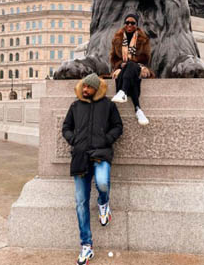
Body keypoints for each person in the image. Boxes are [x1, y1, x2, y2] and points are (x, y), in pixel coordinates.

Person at [62, 73, 123, 265]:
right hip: (80, 156)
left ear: (96, 88)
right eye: (83, 87)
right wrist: (73, 140)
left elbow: (118, 126)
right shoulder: (75, 106)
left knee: (103, 183)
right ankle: (86, 246)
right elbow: (66, 127)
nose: (85, 89)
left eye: (88, 87)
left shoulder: (108, 106)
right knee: (81, 203)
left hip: (101, 153)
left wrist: (106, 140)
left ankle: (103, 203)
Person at [110, 13, 154, 125]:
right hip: (123, 68)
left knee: (131, 65)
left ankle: (122, 91)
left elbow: (145, 57)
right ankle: (138, 109)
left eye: (132, 23)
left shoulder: (143, 39)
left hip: (139, 67)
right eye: (127, 22)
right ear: (124, 24)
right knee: (131, 75)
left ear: (136, 25)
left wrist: (130, 61)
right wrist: (119, 67)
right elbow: (114, 58)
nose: (129, 25)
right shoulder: (117, 39)